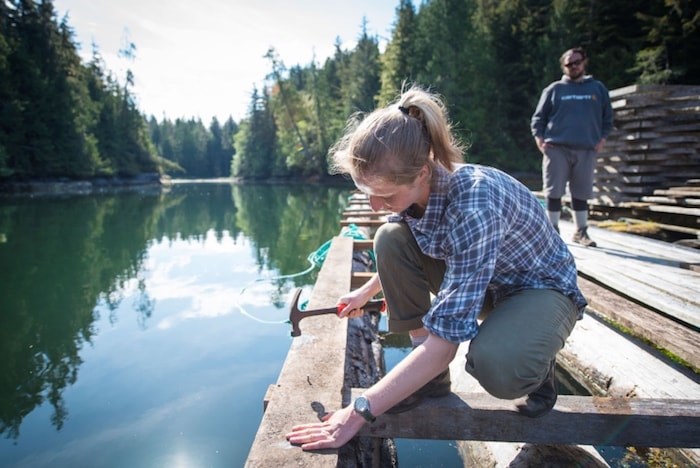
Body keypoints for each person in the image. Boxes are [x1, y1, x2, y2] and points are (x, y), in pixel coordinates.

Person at [286, 86, 586, 451]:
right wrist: (365, 292)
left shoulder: (474, 204)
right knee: (389, 237)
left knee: (496, 368)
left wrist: (358, 412)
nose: (376, 205)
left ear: (423, 172)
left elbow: (445, 346)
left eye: (386, 195)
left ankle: (538, 372)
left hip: (539, 290)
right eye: (366, 192)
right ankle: (430, 380)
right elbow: (404, 250)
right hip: (485, 280)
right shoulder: (412, 192)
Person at [531, 47, 613, 247]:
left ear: (584, 62)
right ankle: (551, 232)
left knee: (581, 192)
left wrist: (602, 139)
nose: (573, 66)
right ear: (563, 66)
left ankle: (581, 232)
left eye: (577, 62)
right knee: (553, 191)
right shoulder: (554, 90)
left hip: (586, 148)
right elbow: (538, 119)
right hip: (556, 147)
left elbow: (607, 118)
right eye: (569, 64)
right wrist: (540, 141)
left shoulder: (597, 89)